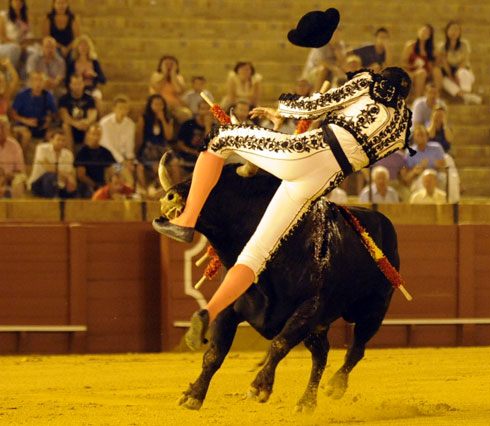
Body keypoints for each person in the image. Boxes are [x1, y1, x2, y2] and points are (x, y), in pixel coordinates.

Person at [152, 67, 412, 350]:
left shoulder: (367, 83)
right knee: (255, 254)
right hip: (322, 181)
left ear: (380, 78)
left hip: (305, 152)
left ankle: (187, 219)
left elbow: (315, 105)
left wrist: (282, 112)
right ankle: (207, 313)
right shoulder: (401, 127)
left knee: (221, 138)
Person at [136, 94, 174, 193]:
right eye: (156, 104)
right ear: (150, 105)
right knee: (155, 167)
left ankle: (175, 191)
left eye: (161, 104)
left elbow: (169, 136)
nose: (158, 107)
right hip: (148, 150)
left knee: (175, 165)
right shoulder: (144, 119)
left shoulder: (168, 118)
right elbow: (139, 138)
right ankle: (148, 191)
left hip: (162, 148)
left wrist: (163, 120)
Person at [9, 71, 57, 148]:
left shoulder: (48, 95)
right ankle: (22, 157)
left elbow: (54, 113)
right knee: (26, 134)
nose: (38, 83)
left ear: (44, 82)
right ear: (31, 82)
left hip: (41, 125)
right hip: (24, 124)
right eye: (35, 80)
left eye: (41, 80)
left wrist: (49, 119)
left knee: (52, 136)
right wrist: (25, 121)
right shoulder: (22, 95)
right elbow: (13, 114)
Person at [437, 21, 481, 105]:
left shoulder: (464, 45)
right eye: (452, 29)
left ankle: (466, 95)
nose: (454, 32)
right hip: (450, 73)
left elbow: (464, 61)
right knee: (444, 81)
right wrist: (451, 76)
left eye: (456, 30)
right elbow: (445, 64)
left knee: (462, 73)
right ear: (447, 31)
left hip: (464, 71)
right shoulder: (442, 47)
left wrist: (457, 74)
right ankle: (467, 97)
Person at [28, 129, 76, 198]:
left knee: (75, 187)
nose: (61, 142)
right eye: (58, 140)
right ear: (51, 140)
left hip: (60, 184)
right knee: (50, 175)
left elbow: (69, 173)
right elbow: (47, 167)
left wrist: (70, 180)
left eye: (63, 140)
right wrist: (67, 175)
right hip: (39, 183)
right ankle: (51, 203)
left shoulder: (68, 154)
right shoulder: (41, 148)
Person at [74, 124, 116, 198]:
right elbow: (81, 175)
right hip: (87, 186)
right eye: (93, 134)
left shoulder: (105, 151)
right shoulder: (82, 152)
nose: (96, 137)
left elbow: (115, 167)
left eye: (98, 134)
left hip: (103, 184)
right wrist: (95, 186)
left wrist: (123, 166)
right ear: (88, 135)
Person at [401, 24, 442, 98]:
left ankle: (436, 96)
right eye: (423, 31)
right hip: (412, 72)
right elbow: (403, 63)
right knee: (421, 73)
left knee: (437, 71)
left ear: (430, 36)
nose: (424, 34)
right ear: (418, 32)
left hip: (427, 72)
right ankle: (418, 98)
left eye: (427, 32)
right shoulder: (411, 46)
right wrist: (414, 66)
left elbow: (436, 63)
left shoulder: (432, 49)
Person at [58, 74, 97, 150]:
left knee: (91, 127)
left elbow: (92, 114)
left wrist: (87, 122)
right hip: (71, 125)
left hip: (84, 125)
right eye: (75, 84)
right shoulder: (64, 99)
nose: (77, 86)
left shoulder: (89, 98)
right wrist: (76, 124)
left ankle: (85, 154)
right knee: (65, 126)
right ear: (70, 85)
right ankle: (71, 154)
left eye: (79, 84)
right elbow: (64, 115)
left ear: (83, 84)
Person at [65, 35, 106, 107]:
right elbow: (67, 79)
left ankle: (98, 117)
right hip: (76, 89)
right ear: (77, 48)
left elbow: (103, 80)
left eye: (85, 46)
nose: (83, 48)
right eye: (81, 46)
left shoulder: (94, 62)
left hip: (91, 89)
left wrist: (94, 75)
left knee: (97, 98)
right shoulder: (72, 62)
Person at [149, 55, 191, 123]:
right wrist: (165, 74)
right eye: (166, 64)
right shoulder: (156, 75)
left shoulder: (178, 77)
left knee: (186, 114)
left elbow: (179, 91)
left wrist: (173, 75)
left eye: (171, 64)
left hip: (175, 106)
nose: (169, 66)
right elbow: (157, 88)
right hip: (160, 106)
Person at [175, 100, 214, 173]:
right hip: (188, 155)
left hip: (206, 158)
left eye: (208, 109)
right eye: (203, 109)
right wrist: (194, 152)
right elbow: (180, 144)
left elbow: (210, 145)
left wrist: (207, 127)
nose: (205, 112)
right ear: (198, 110)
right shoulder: (188, 124)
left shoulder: (214, 127)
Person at [404, 123, 446, 192]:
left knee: (442, 177)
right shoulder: (409, 152)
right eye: (418, 135)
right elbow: (407, 176)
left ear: (427, 136)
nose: (420, 137)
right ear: (414, 137)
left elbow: (443, 166)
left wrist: (438, 165)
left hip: (436, 176)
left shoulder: (437, 148)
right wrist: (416, 171)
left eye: (422, 135)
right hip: (419, 177)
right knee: (423, 181)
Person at [98, 94, 135, 169]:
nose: (123, 111)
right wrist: (122, 161)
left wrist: (129, 160)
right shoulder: (105, 123)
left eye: (125, 108)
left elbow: (129, 145)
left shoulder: (130, 124)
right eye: (120, 108)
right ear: (114, 109)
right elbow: (108, 146)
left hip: (124, 159)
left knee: (138, 167)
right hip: (107, 159)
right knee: (122, 169)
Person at [0, 116, 25, 197]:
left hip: (10, 177)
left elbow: (20, 169)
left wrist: (7, 176)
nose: (1, 131)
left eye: (4, 128)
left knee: (19, 179)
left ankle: (14, 206)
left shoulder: (14, 145)